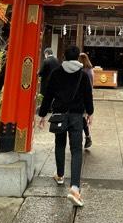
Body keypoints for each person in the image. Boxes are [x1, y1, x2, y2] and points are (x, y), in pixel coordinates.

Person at [38, 45, 94, 207]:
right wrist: (90, 113)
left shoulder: (57, 73)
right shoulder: (82, 75)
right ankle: (75, 188)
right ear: (77, 57)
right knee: (76, 150)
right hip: (76, 116)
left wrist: (42, 115)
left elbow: (48, 95)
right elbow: (88, 96)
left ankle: (60, 175)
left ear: (64, 56)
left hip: (59, 115)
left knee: (60, 144)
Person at [78, 52, 95, 149]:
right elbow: (92, 84)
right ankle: (87, 136)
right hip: (88, 96)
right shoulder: (90, 70)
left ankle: (85, 137)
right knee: (83, 117)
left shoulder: (80, 71)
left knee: (80, 117)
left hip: (79, 96)